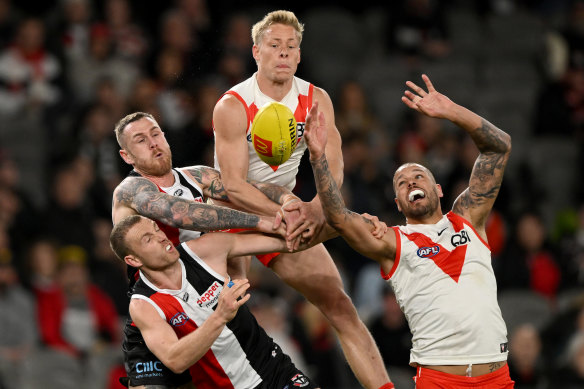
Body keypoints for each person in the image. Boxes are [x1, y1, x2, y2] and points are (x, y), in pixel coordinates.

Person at [212, 10, 392, 389]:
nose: (284, 53)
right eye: (275, 45)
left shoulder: (315, 100)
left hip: (289, 211)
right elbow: (232, 186)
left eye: (291, 47)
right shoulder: (233, 105)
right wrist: (288, 209)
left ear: (299, 55)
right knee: (228, 323)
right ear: (256, 51)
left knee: (339, 305)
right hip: (234, 216)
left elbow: (336, 164)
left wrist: (313, 206)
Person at [302, 74, 515, 388]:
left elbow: (499, 149)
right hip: (439, 380)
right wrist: (319, 158)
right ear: (398, 204)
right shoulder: (392, 240)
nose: (411, 182)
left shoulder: (469, 217)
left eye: (419, 176)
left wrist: (452, 111)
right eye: (401, 183)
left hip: (498, 378)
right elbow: (338, 217)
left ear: (439, 189)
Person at [109, 214, 329, 388]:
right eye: (148, 239)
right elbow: (175, 360)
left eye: (156, 229)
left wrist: (338, 224)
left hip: (274, 369)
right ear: (133, 259)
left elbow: (285, 241)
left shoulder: (205, 249)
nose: (160, 237)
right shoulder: (143, 305)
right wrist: (220, 316)